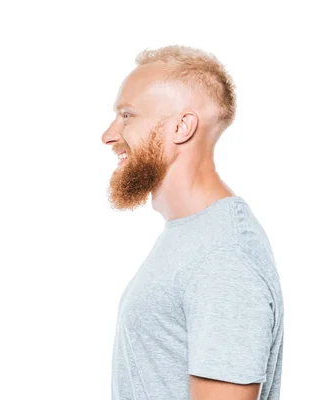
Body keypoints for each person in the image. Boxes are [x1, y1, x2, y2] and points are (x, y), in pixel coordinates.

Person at [102, 45, 284, 400]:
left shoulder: (223, 257)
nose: (108, 134)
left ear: (182, 126)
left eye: (127, 115)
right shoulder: (193, 237)